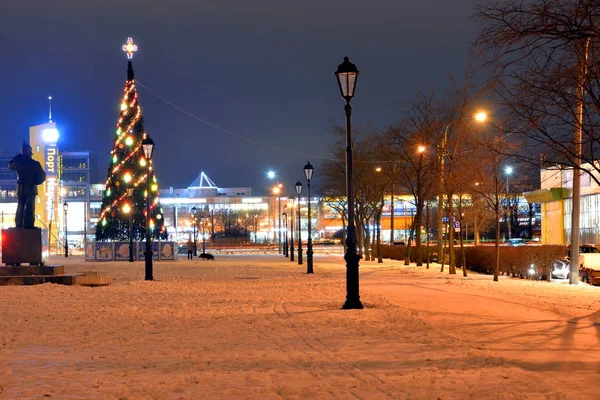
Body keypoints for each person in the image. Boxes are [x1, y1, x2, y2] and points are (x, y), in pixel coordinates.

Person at [8, 141, 46, 228]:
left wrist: (18, 156)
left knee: (20, 207)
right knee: (30, 208)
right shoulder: (35, 164)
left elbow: (10, 165)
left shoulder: (18, 163)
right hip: (31, 188)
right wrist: (35, 182)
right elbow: (42, 176)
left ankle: (19, 225)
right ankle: (29, 226)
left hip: (21, 188)